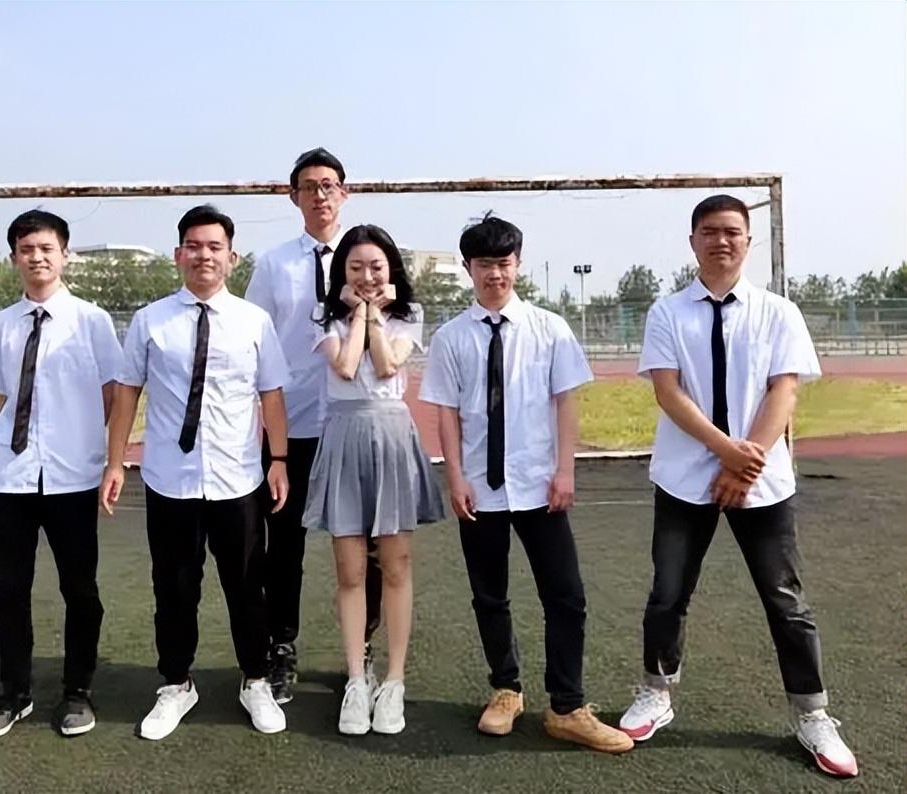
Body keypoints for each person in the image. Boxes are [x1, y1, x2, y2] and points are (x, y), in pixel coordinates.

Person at [618, 194, 858, 777]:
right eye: (709, 231)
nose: (721, 240)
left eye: (732, 231)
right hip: (685, 476)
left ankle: (812, 713)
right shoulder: (667, 313)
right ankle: (656, 691)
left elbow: (785, 390)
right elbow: (668, 391)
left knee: (786, 599)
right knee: (668, 591)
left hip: (761, 481)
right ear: (692, 242)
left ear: (748, 241)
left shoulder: (779, 312)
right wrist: (724, 451)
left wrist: (742, 464)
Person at [419, 213, 633, 754]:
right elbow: (447, 413)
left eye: (504, 262)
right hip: (480, 488)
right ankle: (506, 689)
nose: (495, 274)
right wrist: (455, 477)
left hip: (540, 486)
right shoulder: (451, 338)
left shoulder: (550, 329)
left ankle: (567, 706)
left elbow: (565, 403)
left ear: (518, 264)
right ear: (468, 267)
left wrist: (565, 470)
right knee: (489, 595)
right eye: (485, 264)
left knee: (566, 595)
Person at [99, 205, 292, 738]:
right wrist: (115, 462)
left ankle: (255, 680)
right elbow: (127, 393)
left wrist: (278, 460)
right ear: (177, 254)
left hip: (238, 479)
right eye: (193, 246)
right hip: (170, 479)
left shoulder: (254, 321)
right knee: (175, 588)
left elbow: (271, 395)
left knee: (247, 585)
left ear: (232, 258)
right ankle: (176, 683)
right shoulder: (150, 320)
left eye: (214, 247)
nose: (203, 255)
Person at [0, 209, 123, 740]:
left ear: (65, 255)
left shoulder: (92, 321)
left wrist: (82, 446)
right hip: (8, 478)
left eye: (46, 248)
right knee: (9, 591)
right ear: (14, 257)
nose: (37, 257)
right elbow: (2, 397)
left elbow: (110, 393)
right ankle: (14, 692)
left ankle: (78, 689)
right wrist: (21, 443)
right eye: (26, 249)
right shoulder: (0, 326)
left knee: (79, 588)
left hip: (71, 478)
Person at [245, 147, 384, 703]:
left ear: (344, 192)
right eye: (309, 186)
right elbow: (255, 340)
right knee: (285, 546)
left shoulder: (370, 259)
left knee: (367, 545)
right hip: (294, 426)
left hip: (356, 423)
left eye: (329, 185)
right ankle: (281, 645)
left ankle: (362, 648)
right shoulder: (274, 265)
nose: (320, 195)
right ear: (293, 196)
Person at [301, 224, 444, 735]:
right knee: (351, 570)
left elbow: (385, 366)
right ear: (341, 271)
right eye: (356, 266)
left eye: (376, 267)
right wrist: (360, 313)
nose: (367, 275)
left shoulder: (408, 315)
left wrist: (375, 316)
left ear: (392, 270)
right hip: (344, 435)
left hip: (391, 436)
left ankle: (394, 681)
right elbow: (344, 366)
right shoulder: (322, 316)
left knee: (397, 564)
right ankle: (357, 681)